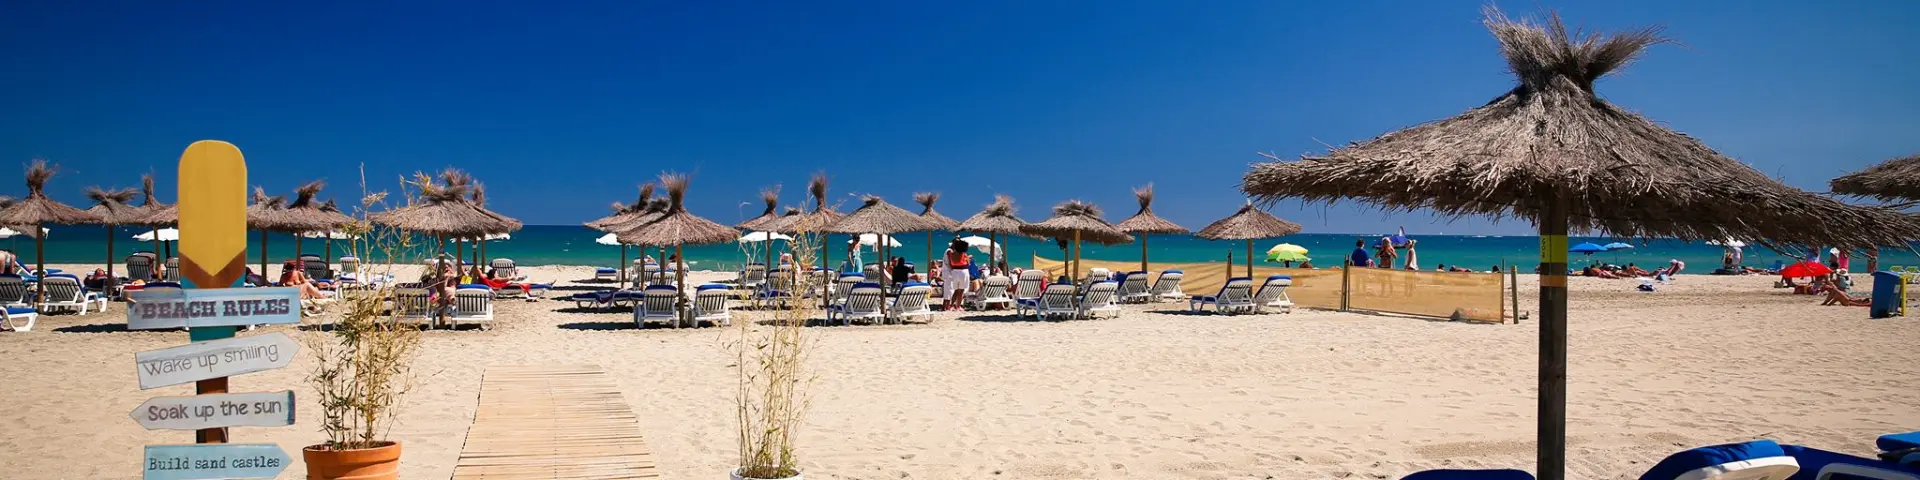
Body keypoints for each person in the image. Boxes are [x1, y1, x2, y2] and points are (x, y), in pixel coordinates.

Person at [943, 239, 972, 311]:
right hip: (963, 271)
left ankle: (951, 305)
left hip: (954, 272)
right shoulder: (964, 255)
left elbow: (951, 263)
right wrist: (968, 258)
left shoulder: (951, 254)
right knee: (961, 290)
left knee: (955, 290)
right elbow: (968, 264)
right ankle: (958, 306)